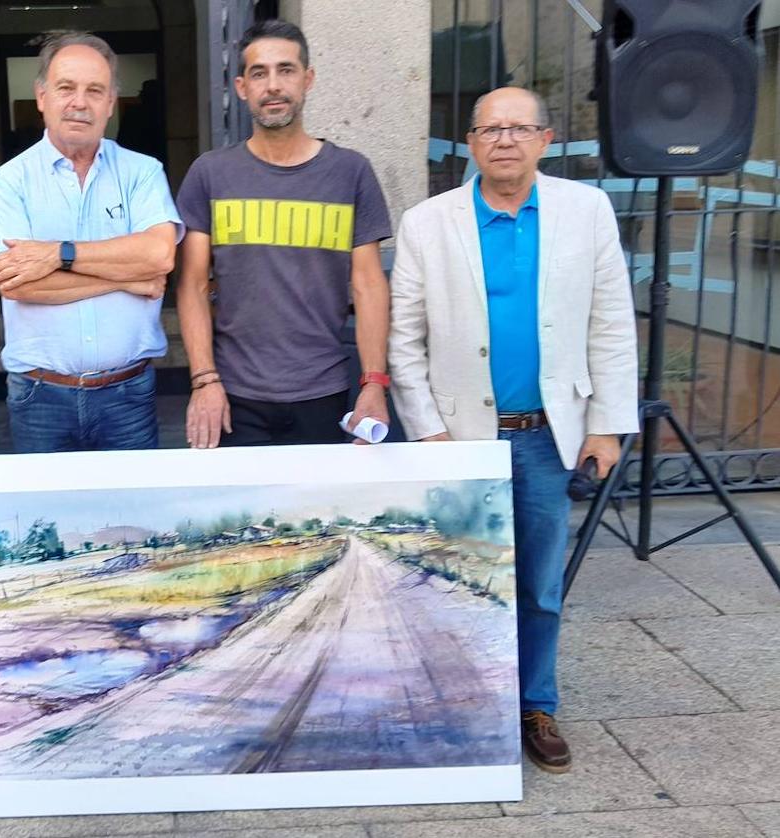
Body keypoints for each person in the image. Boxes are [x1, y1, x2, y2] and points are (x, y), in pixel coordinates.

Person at [388, 86, 639, 773]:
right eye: (489, 129)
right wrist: (427, 432)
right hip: (459, 438)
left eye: (518, 128)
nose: (503, 139)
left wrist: (608, 425)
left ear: (544, 138)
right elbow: (403, 340)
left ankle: (535, 703)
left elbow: (610, 324)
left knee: (535, 585)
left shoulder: (585, 212)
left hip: (544, 436)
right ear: (469, 142)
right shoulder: (425, 223)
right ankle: (463, 707)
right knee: (455, 579)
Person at [176, 19, 392, 449]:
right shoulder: (210, 173)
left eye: (286, 70)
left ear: (307, 79)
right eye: (259, 73)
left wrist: (373, 383)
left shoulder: (350, 172)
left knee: (316, 515)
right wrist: (204, 382)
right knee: (236, 517)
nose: (273, 85)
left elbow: (369, 285)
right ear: (241, 87)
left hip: (323, 391)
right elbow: (192, 284)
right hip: (234, 394)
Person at [0, 32, 183, 453]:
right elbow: (19, 285)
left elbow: (159, 254)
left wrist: (58, 254)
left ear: (111, 103)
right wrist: (124, 278)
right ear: (41, 97)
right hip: (40, 398)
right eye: (65, 88)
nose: (79, 102)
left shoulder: (142, 173)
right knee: (44, 520)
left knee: (135, 518)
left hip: (128, 395)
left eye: (95, 90)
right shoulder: (10, 181)